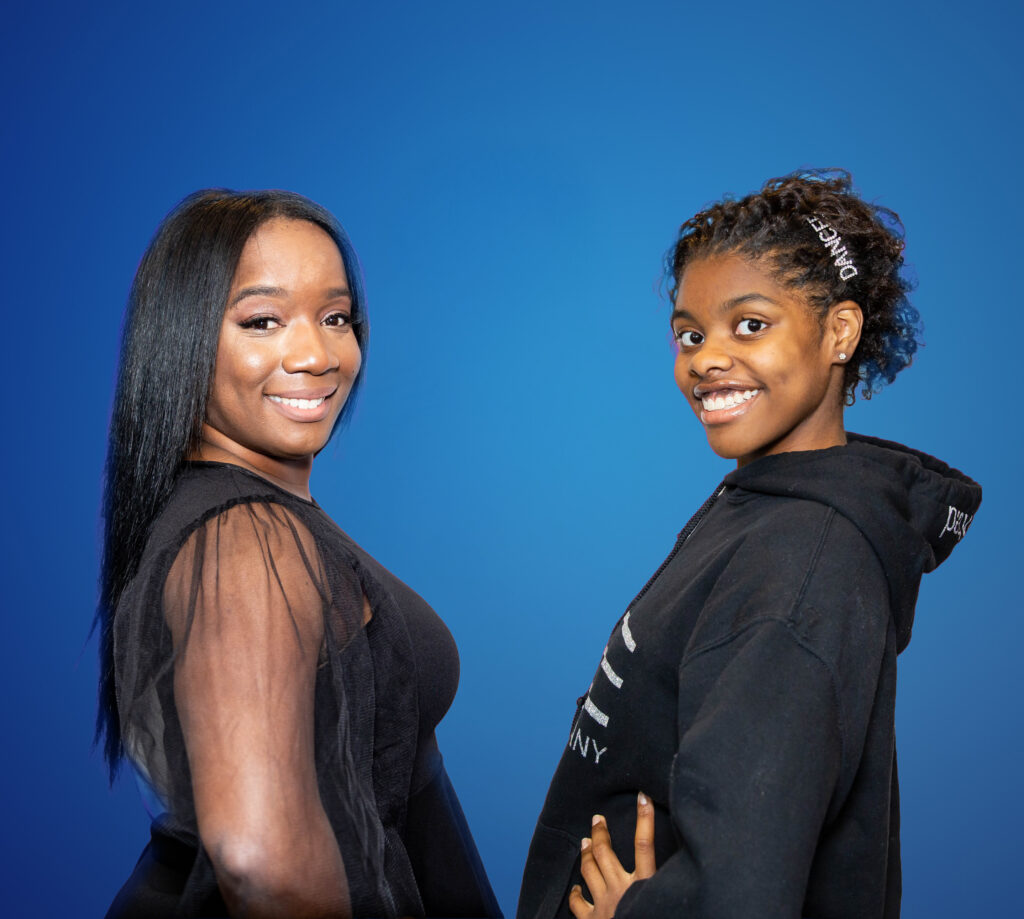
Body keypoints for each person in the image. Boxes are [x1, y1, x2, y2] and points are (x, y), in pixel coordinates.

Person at [516, 170, 981, 919]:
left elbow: (747, 892)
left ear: (840, 333)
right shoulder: (761, 510)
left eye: (750, 325)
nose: (705, 358)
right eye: (690, 334)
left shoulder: (803, 565)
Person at [95, 189, 502, 919]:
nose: (316, 354)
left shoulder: (252, 523)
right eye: (263, 320)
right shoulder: (243, 540)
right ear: (182, 337)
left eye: (336, 317)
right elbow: (262, 866)